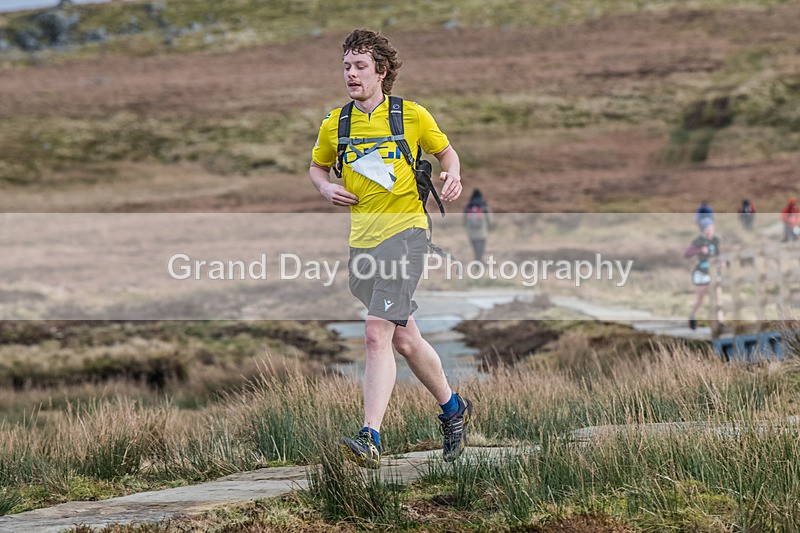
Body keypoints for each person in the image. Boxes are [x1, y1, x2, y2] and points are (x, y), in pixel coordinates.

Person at [308, 29, 472, 469]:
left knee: (376, 331)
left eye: (360, 66)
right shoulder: (335, 123)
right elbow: (317, 166)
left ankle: (370, 437)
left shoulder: (411, 115)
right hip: (362, 242)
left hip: (407, 235)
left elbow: (447, 153)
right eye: (346, 66)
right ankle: (454, 408)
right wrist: (325, 188)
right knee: (404, 338)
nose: (351, 74)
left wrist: (451, 176)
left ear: (381, 71)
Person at [684, 219, 724, 331]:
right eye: (707, 229)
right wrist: (700, 250)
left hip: (714, 272)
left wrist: (721, 261)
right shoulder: (698, 241)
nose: (710, 231)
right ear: (703, 230)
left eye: (711, 229)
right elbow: (687, 254)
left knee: (718, 297)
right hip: (701, 272)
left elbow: (718, 253)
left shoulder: (716, 239)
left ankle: (720, 321)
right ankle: (692, 316)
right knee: (700, 300)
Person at [463, 188, 493, 262]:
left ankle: (478, 262)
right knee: (480, 250)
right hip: (482, 232)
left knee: (476, 250)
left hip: (472, 233)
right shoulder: (484, 205)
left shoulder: (468, 206)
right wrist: (490, 226)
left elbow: (464, 220)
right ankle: (479, 263)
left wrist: (466, 227)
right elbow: (490, 219)